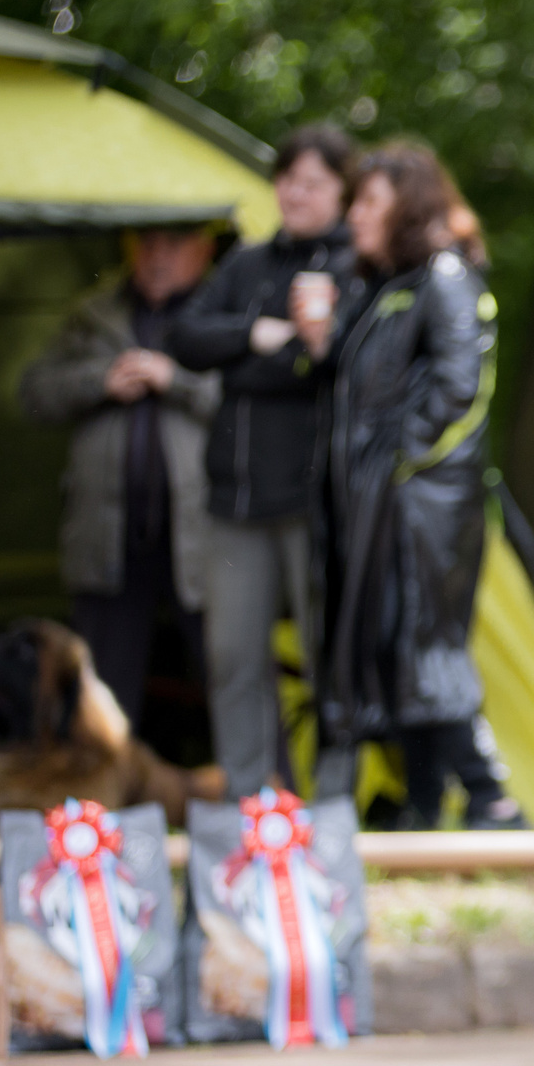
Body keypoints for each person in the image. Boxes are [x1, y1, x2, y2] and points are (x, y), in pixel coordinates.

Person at [303, 141, 523, 830]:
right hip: (381, 507)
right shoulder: (388, 289)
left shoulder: (446, 279)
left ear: (408, 204)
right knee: (395, 646)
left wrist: (401, 466)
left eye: (367, 201)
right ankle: (425, 801)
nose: (353, 216)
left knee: (427, 644)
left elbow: (462, 388)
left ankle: (493, 799)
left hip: (424, 509)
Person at [167, 123, 355, 796]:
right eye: (286, 180)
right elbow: (184, 336)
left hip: (312, 499)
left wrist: (253, 358)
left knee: (326, 658)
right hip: (233, 499)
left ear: (342, 192)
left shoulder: (352, 264)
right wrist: (255, 333)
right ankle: (252, 806)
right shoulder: (245, 265)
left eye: (312, 183)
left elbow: (325, 367)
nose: (294, 193)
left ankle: (332, 803)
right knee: (232, 658)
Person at [19, 225, 223, 743]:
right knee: (101, 690)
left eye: (173, 244)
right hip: (108, 536)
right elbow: (33, 394)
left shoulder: (224, 309)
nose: (157, 255)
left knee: (231, 675)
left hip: (203, 537)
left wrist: (172, 380)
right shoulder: (94, 312)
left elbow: (251, 405)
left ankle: (267, 805)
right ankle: (94, 818)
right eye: (147, 243)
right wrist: (99, 382)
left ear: (203, 251)